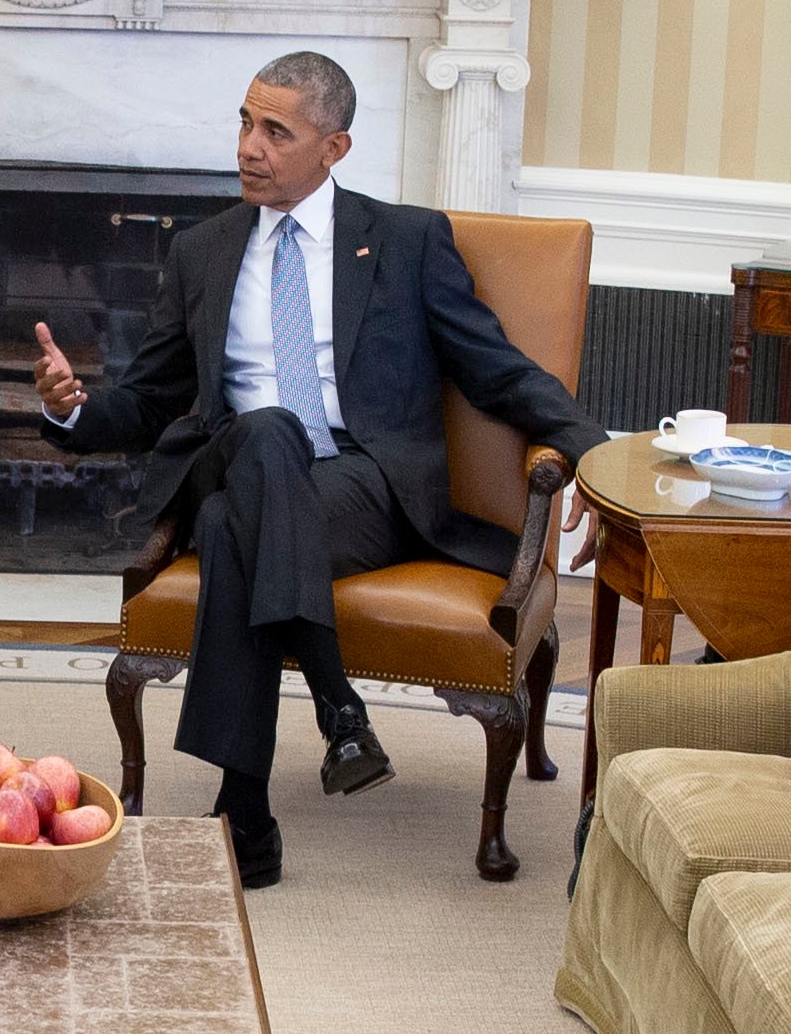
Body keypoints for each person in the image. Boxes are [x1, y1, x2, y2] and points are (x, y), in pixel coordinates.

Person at [33, 51, 604, 889]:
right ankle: (338, 705)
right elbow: (150, 400)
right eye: (244, 122)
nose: (248, 146)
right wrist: (72, 409)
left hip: (360, 482)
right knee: (265, 433)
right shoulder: (202, 251)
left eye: (276, 131)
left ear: (335, 147)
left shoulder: (407, 241)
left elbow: (496, 369)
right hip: (233, 455)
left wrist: (593, 449)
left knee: (232, 526)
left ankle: (246, 810)